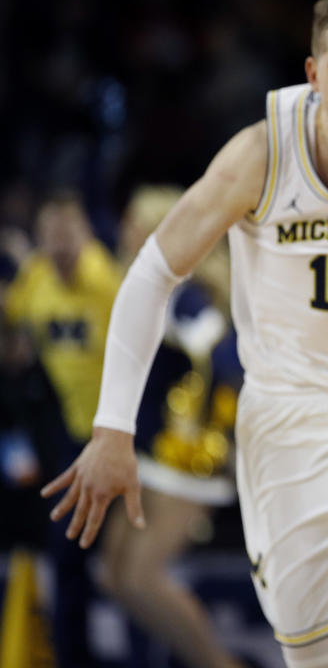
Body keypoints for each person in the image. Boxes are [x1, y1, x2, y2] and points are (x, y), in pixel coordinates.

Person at [41, 0, 328, 668]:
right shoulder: (262, 152)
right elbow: (153, 273)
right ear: (313, 74)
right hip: (290, 422)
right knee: (325, 655)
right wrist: (112, 429)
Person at [96, 184, 242, 668]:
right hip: (152, 452)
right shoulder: (145, 286)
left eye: (138, 223)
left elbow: (224, 355)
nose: (126, 231)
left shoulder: (184, 294)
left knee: (139, 578)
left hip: (188, 460)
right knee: (115, 576)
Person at [5, 189, 122, 667]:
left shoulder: (106, 280)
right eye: (50, 235)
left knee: (115, 565)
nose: (60, 244)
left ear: (86, 234)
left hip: (119, 434)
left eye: (67, 233)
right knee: (69, 556)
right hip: (70, 440)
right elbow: (11, 318)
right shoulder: (35, 279)